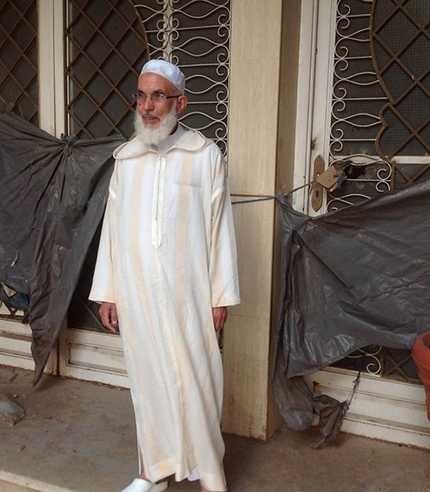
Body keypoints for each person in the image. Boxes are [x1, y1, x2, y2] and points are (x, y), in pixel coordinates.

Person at [89, 59, 240, 492]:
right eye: (141, 95)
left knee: (199, 379)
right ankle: (151, 472)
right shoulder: (127, 159)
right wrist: (109, 292)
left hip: (188, 291)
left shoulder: (204, 156)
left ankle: (210, 473)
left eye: (158, 96)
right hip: (137, 292)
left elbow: (220, 229)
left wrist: (220, 296)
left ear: (180, 103)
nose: (147, 106)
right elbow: (112, 232)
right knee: (148, 380)